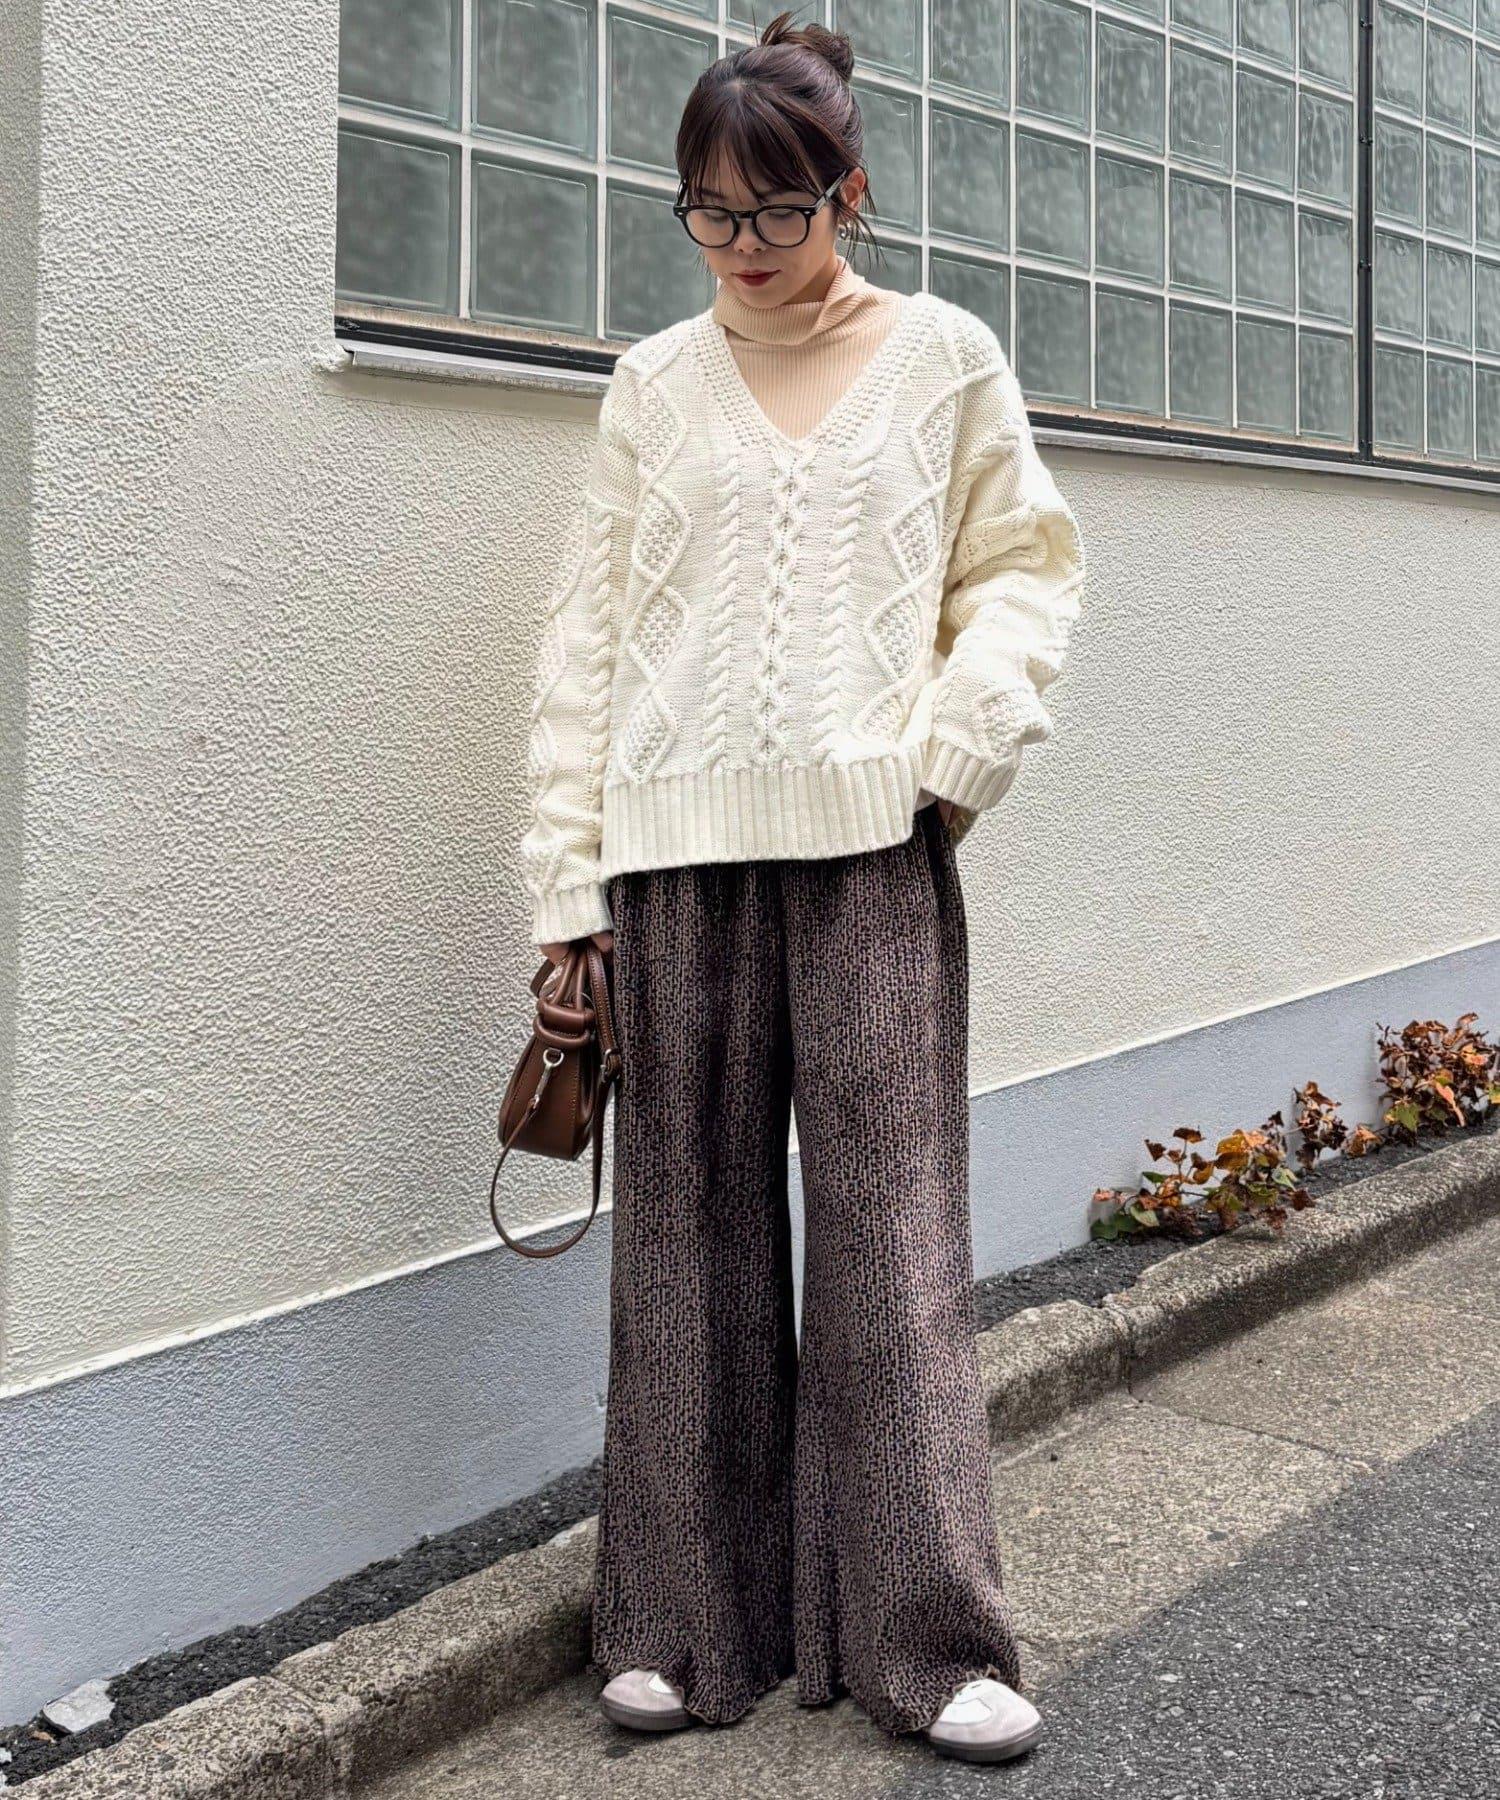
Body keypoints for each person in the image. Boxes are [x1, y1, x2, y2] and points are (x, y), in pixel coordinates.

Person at [517, 8, 1087, 1767]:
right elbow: (588, 644)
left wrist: (948, 757)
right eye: (709, 212)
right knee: (683, 1248)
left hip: (869, 860)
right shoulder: (651, 385)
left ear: (848, 190)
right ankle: (682, 1625)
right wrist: (566, 892)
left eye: (776, 210)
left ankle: (929, 1642)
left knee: (891, 1247)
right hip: (669, 863)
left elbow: (1026, 572)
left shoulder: (945, 358)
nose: (743, 247)